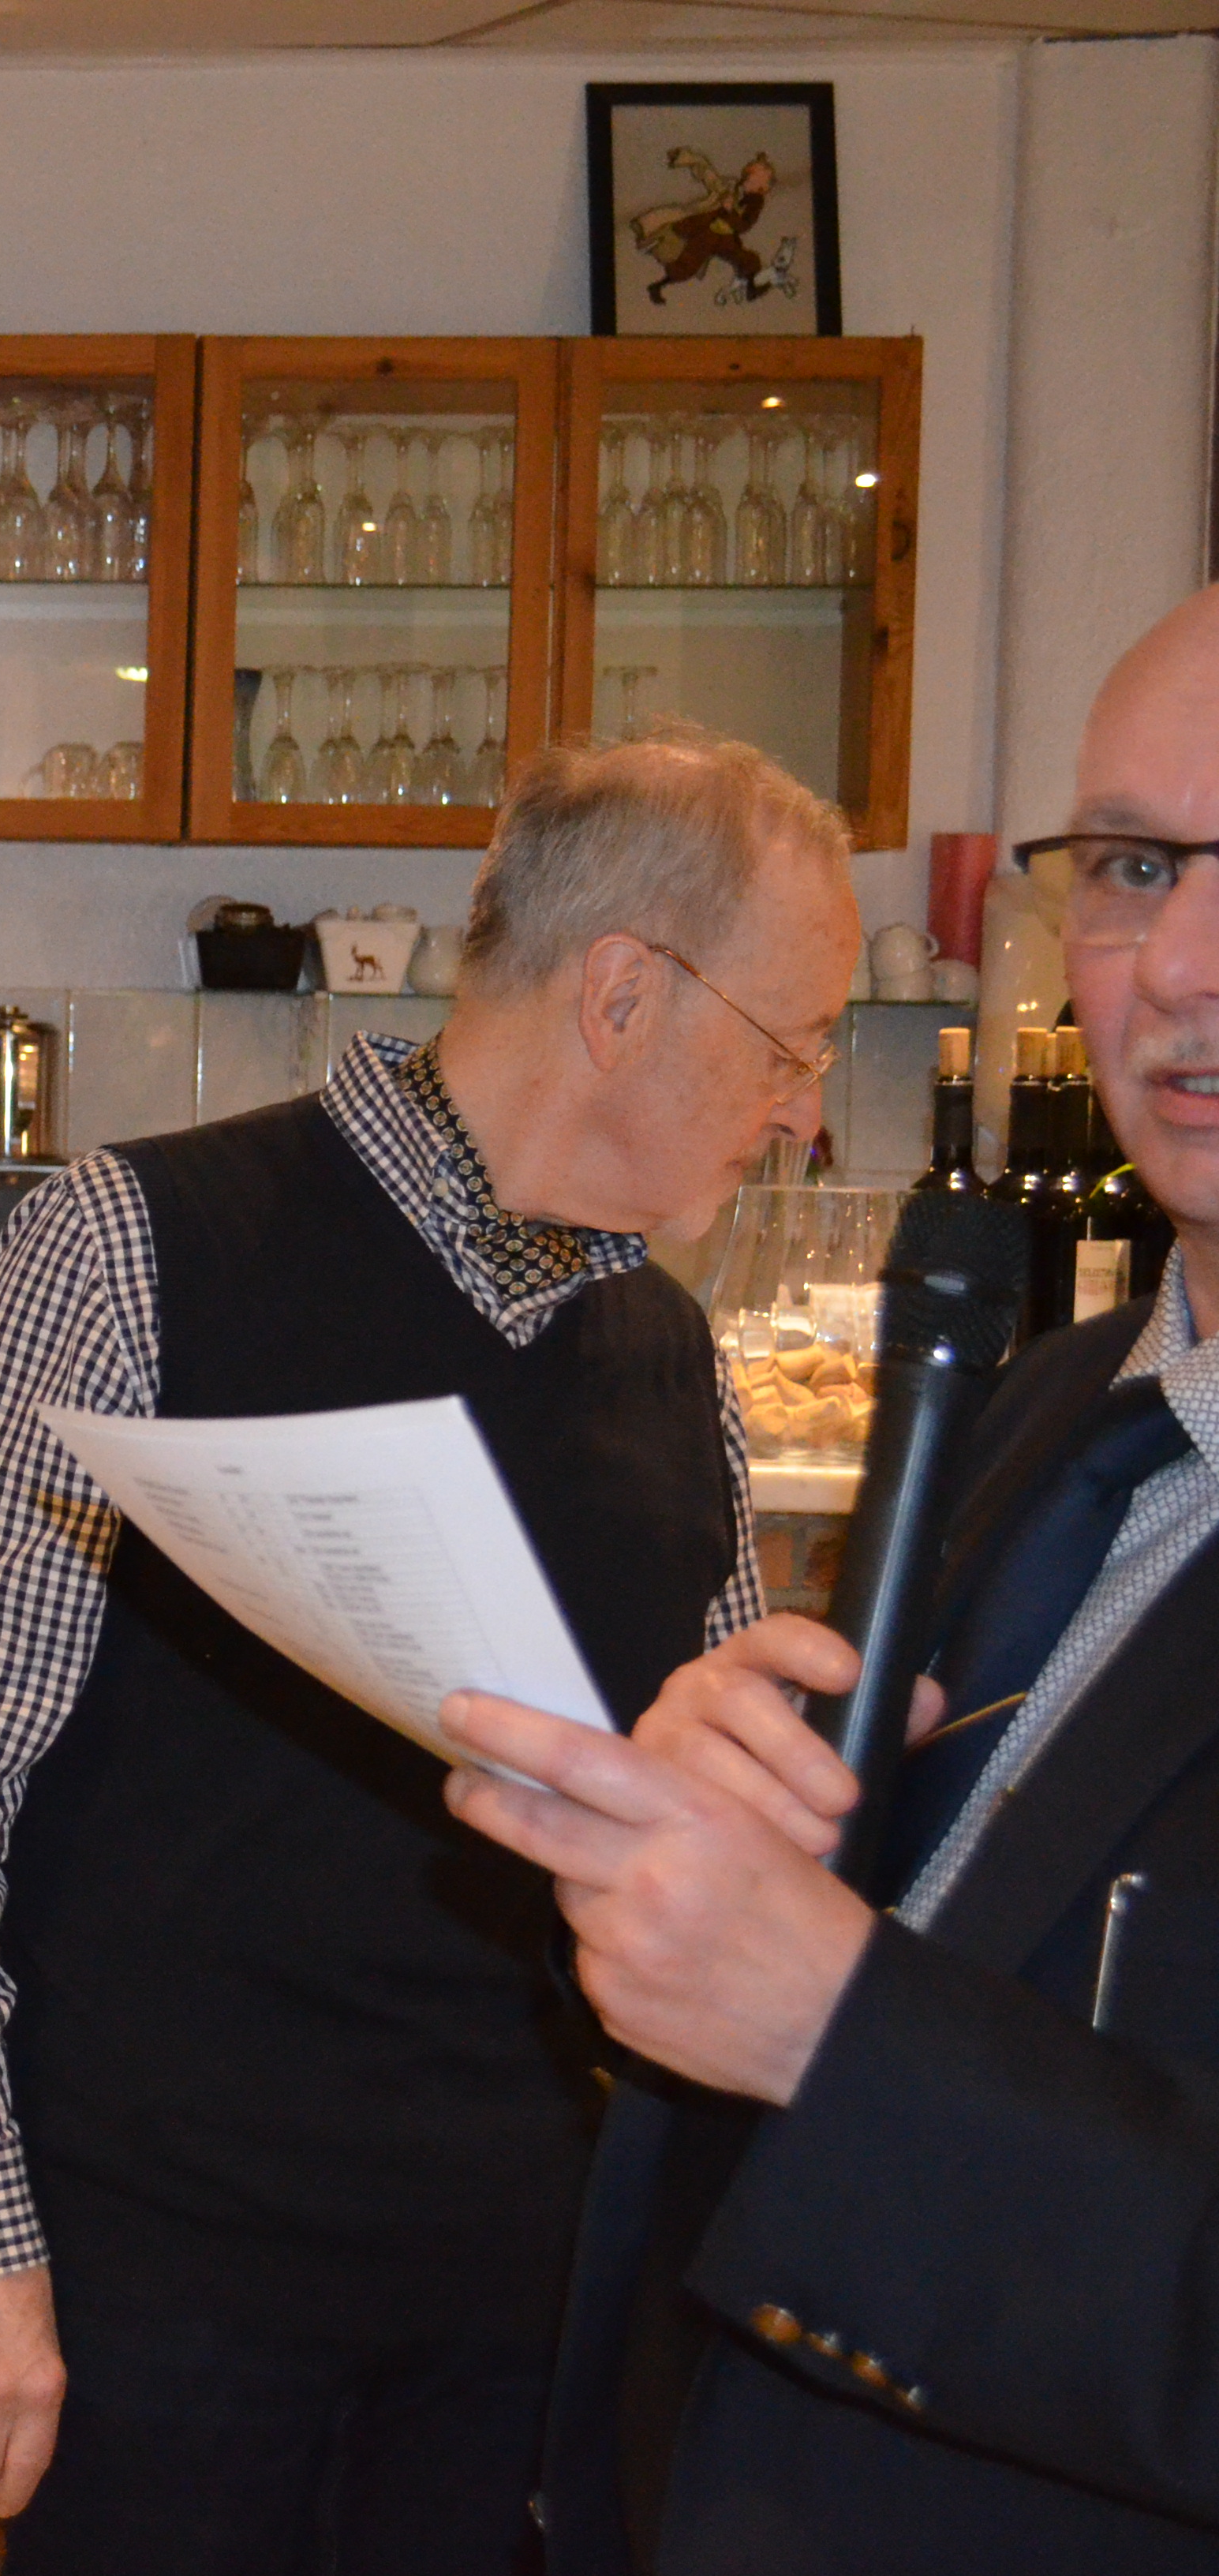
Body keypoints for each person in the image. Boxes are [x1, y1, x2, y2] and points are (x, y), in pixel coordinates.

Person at [0, 727, 863, 2573]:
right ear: (623, 995)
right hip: (161, 2307)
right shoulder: (133, 1249)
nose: (803, 1113)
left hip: (514, 2326)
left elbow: (695, 1869)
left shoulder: (671, 1364)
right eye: (790, 1045)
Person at [448, 584, 1219, 2574]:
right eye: (1133, 867)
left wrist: (828, 2024)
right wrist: (707, 1855)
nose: (1178, 965)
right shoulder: (1053, 1413)